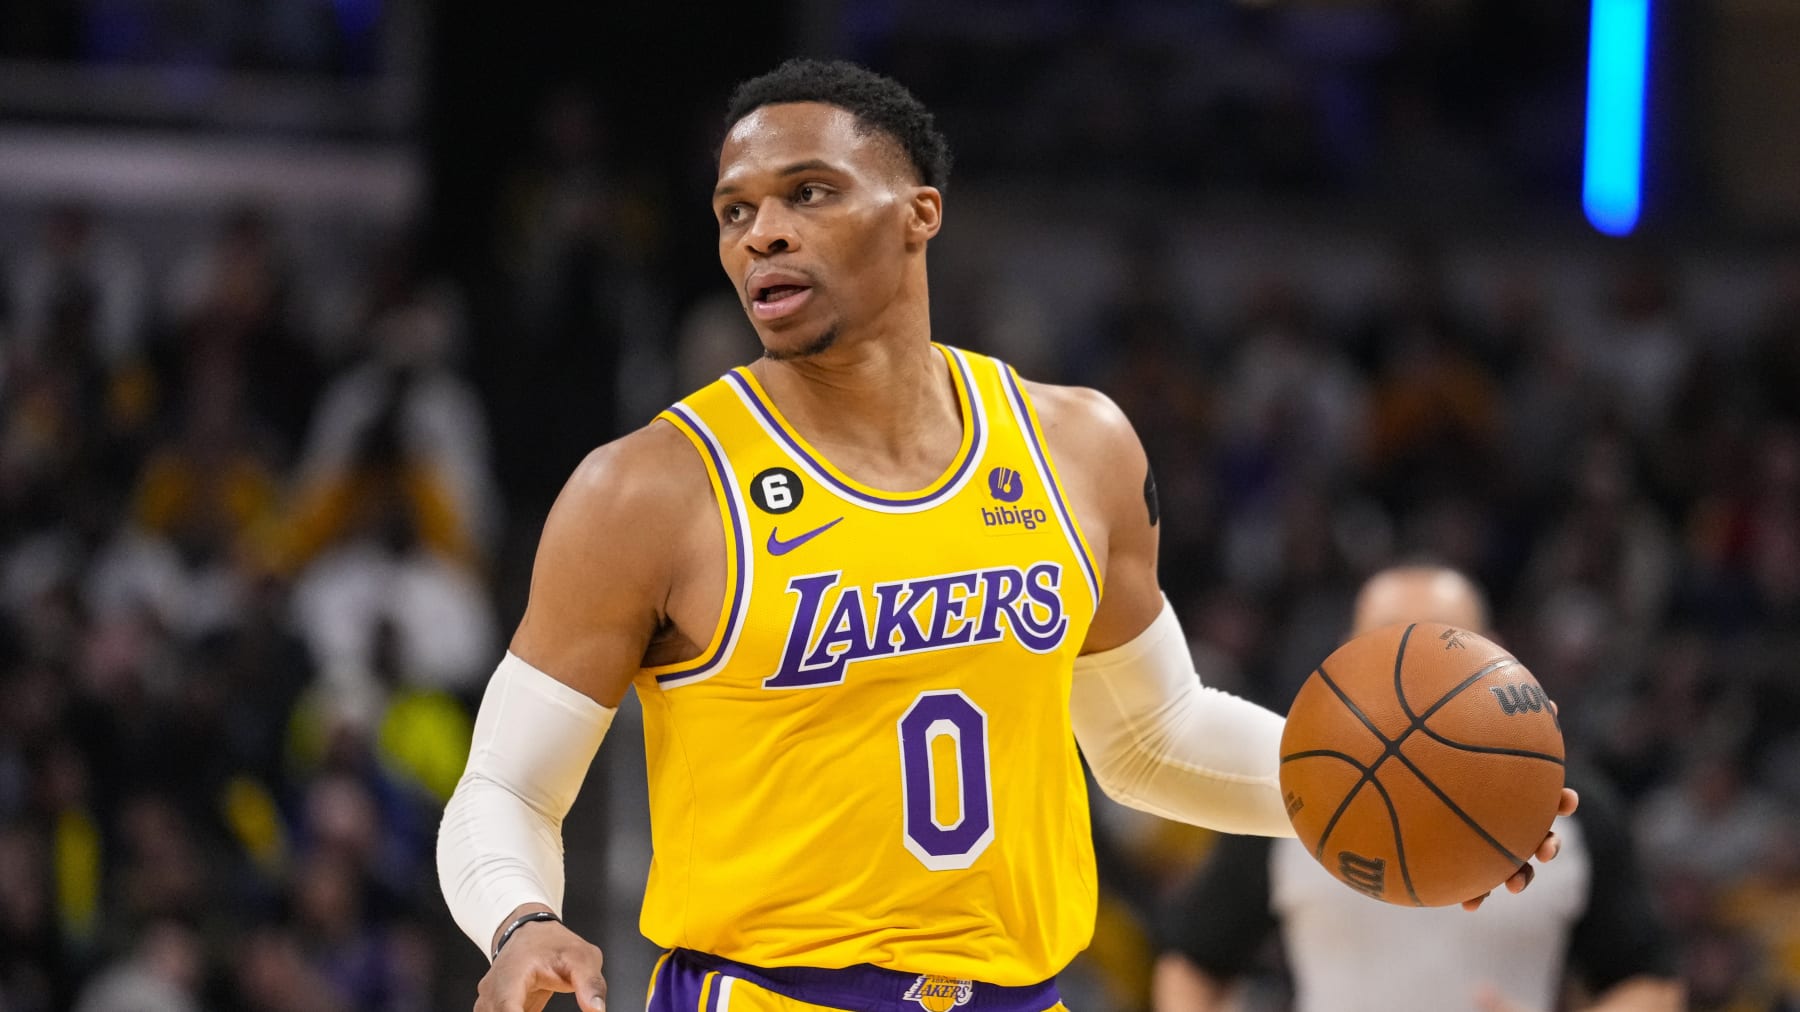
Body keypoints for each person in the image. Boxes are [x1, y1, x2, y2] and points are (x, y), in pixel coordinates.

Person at [436, 60, 1573, 1012]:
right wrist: (521, 919)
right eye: (738, 210)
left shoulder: (1078, 446)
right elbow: (506, 787)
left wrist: (1393, 785)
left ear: (920, 210)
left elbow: (1151, 738)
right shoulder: (647, 489)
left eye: (810, 193)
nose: (764, 233)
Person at [1153, 565, 1681, 1012]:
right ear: (1343, 659)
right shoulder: (1290, 798)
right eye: (1388, 643)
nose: (1418, 669)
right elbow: (1191, 966)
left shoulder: (1575, 807)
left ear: (1494, 658)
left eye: (1442, 641)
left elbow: (1652, 982)